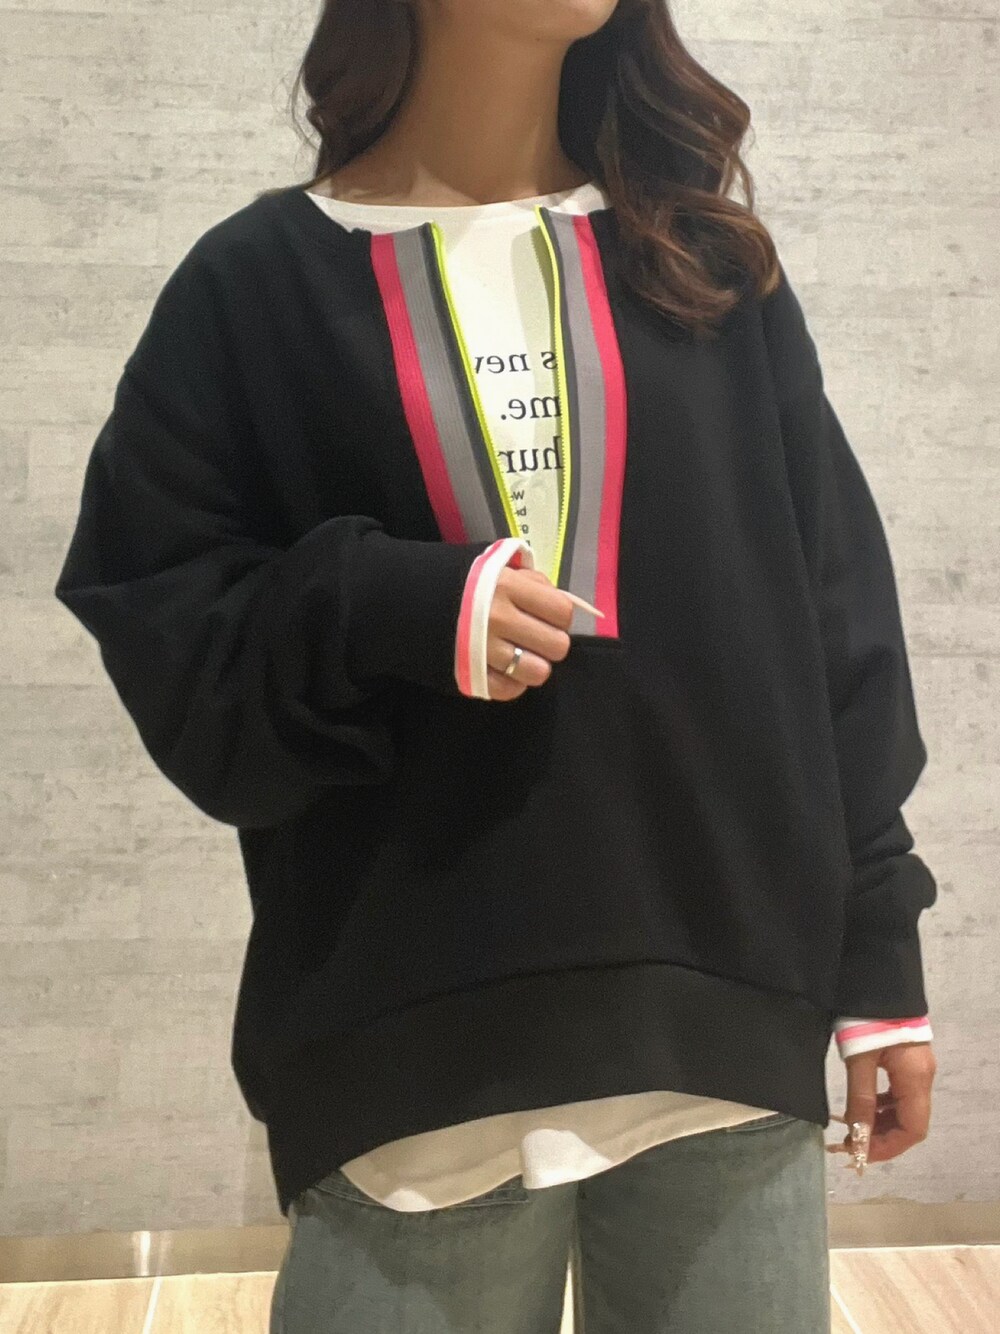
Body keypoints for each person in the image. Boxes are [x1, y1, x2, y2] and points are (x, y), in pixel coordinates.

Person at [53, 1, 939, 1330]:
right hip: (413, 1062)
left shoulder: (707, 268)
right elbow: (165, 623)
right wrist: (386, 603)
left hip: (724, 1039)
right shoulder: (252, 289)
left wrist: (879, 952)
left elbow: (836, 616)